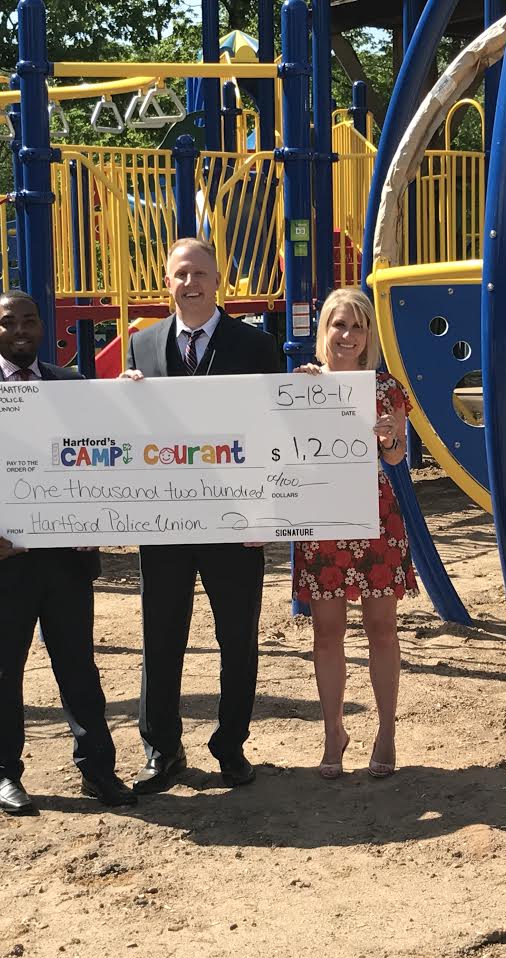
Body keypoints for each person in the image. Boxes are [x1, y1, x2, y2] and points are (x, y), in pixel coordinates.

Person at [0, 290, 135, 815]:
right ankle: (4, 774)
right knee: (4, 669)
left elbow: (102, 455)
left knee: (79, 667)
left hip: (66, 556)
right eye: (9, 322)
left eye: (30, 321)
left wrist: (130, 399)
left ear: (45, 329)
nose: (21, 330)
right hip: (2, 558)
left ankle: (98, 770)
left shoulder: (72, 385)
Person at [119, 238, 279, 792]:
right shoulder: (140, 347)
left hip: (236, 524)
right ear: (167, 282)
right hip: (164, 525)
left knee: (239, 640)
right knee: (160, 639)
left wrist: (267, 514)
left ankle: (230, 746)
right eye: (181, 274)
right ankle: (162, 751)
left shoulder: (257, 346)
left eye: (201, 274)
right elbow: (128, 437)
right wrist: (121, 401)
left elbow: (272, 434)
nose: (191, 284)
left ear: (220, 281)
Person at [292, 288, 417, 780]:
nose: (347, 335)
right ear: (324, 330)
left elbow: (395, 459)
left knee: (381, 629)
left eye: (357, 327)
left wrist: (390, 437)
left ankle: (386, 730)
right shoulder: (302, 383)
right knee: (327, 632)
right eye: (338, 325)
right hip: (322, 517)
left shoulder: (385, 388)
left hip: (375, 517)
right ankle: (333, 732)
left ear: (369, 336)